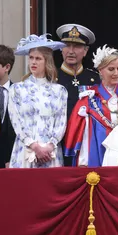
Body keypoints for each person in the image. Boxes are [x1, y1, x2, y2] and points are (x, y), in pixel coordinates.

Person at [8, 34, 68, 168]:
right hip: (25, 151)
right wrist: (34, 146)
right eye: (31, 58)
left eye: (38, 58)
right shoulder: (17, 89)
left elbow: (61, 123)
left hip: (50, 153)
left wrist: (49, 146)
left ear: (47, 61)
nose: (33, 62)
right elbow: (16, 121)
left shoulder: (59, 91)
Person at [64, 45, 118, 167]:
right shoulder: (89, 98)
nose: (116, 73)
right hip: (96, 154)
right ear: (100, 71)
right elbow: (76, 130)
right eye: (111, 69)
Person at [56, 24, 100, 167]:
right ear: (61, 49)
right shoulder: (51, 77)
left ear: (86, 51)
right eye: (67, 46)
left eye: (77, 47)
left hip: (85, 143)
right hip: (58, 144)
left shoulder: (95, 79)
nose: (71, 51)